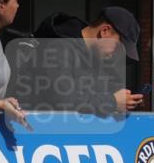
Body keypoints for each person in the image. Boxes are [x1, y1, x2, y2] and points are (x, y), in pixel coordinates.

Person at [8, 6, 144, 116]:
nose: (117, 55)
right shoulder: (57, 48)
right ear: (105, 31)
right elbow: (63, 101)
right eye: (119, 48)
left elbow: (94, 94)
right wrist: (112, 101)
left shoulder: (95, 57)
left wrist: (124, 99)